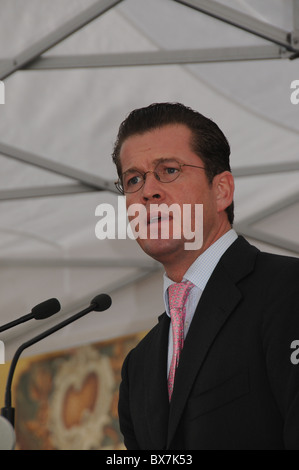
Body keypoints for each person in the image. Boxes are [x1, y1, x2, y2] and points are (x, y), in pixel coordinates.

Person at [112, 102, 299, 450]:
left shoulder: (288, 290)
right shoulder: (138, 366)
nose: (147, 191)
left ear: (221, 191)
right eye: (133, 179)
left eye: (168, 170)